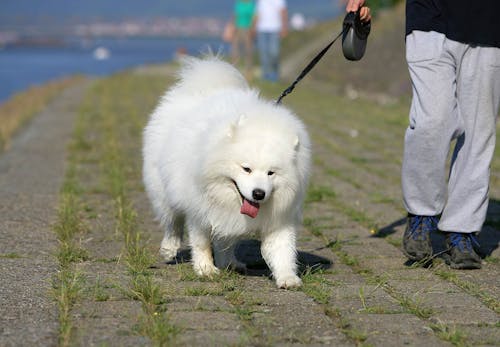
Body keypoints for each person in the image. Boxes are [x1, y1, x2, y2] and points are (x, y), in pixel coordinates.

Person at [347, 0, 500, 269]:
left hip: (489, 25)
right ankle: (420, 214)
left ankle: (462, 231)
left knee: (479, 130)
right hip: (429, 17)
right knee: (432, 121)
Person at [253, 0, 288, 82]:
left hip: (275, 29)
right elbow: (257, 14)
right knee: (263, 53)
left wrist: (284, 27)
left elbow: (283, 12)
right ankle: (265, 75)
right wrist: (254, 28)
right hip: (261, 29)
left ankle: (275, 74)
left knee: (274, 52)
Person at [231, 0, 256, 77]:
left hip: (247, 29)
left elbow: (254, 17)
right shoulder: (239, 3)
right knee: (235, 51)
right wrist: (233, 27)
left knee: (248, 52)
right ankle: (234, 71)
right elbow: (235, 16)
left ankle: (248, 72)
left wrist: (252, 29)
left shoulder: (251, 4)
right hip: (238, 29)